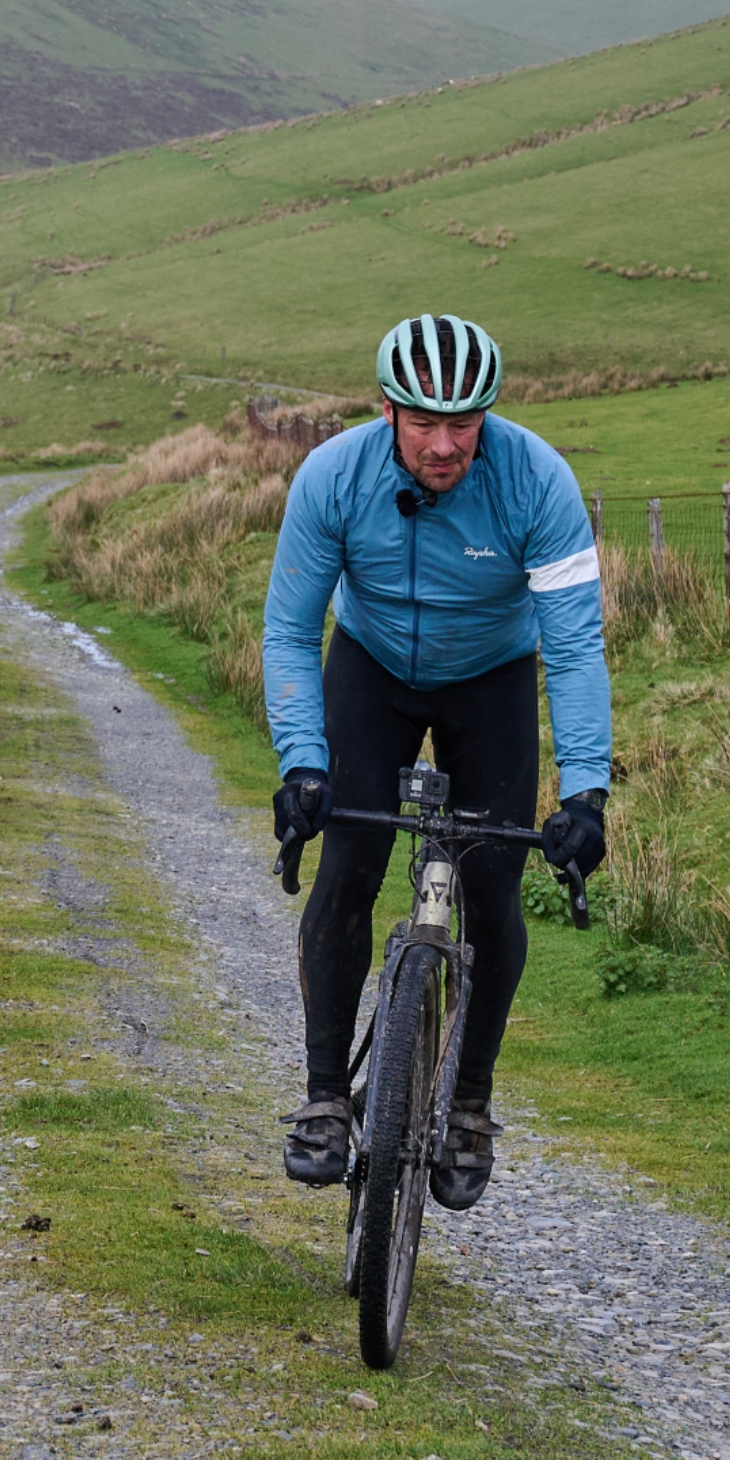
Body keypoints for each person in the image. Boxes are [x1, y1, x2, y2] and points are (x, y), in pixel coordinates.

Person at [262, 314, 614, 1209]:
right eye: (424, 422)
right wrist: (305, 765)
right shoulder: (332, 478)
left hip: (492, 676)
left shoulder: (539, 482)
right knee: (347, 865)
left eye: (466, 423)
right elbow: (292, 631)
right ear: (386, 410)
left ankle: (467, 1101)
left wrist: (585, 793)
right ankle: (323, 1100)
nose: (447, 444)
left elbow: (574, 650)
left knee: (493, 886)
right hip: (370, 666)